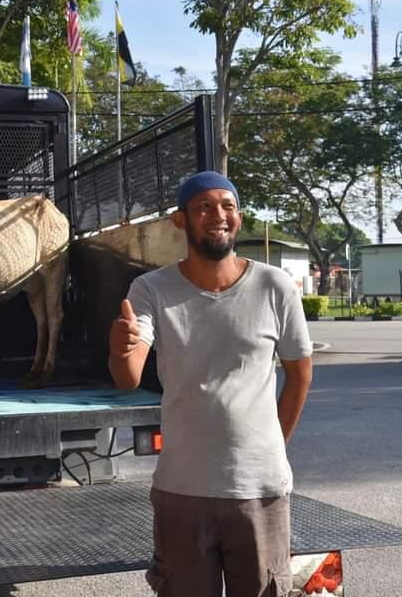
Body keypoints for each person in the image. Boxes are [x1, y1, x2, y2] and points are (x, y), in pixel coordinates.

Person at [108, 171, 313, 597]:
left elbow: (299, 373)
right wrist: (118, 348)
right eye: (203, 206)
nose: (217, 215)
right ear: (181, 220)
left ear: (238, 216)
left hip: (260, 490)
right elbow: (127, 378)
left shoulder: (274, 286)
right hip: (182, 491)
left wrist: (274, 443)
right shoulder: (150, 289)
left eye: (227, 205)